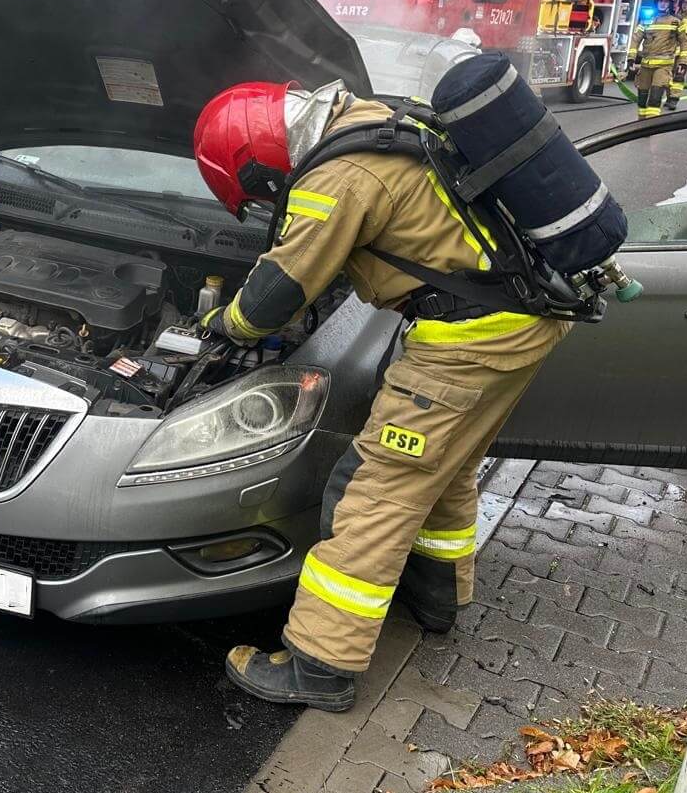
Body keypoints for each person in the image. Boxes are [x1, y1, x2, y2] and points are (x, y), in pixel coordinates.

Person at [191, 55, 569, 710]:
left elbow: (275, 295)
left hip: (468, 345)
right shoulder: (369, 120)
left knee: (373, 491)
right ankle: (437, 599)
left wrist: (224, 325)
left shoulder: (337, 177)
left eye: (259, 193)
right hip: (521, 322)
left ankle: (320, 664)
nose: (266, 202)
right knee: (444, 469)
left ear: (257, 163)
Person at [630, 0, 687, 117]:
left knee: (655, 97)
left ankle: (651, 124)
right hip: (646, 65)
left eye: (666, 1)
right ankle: (641, 123)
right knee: (642, 99)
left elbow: (685, 43)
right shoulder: (646, 19)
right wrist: (631, 58)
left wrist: (683, 62)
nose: (663, 4)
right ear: (656, 2)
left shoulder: (676, 22)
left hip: (663, 67)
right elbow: (635, 40)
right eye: (661, 1)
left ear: (671, 4)